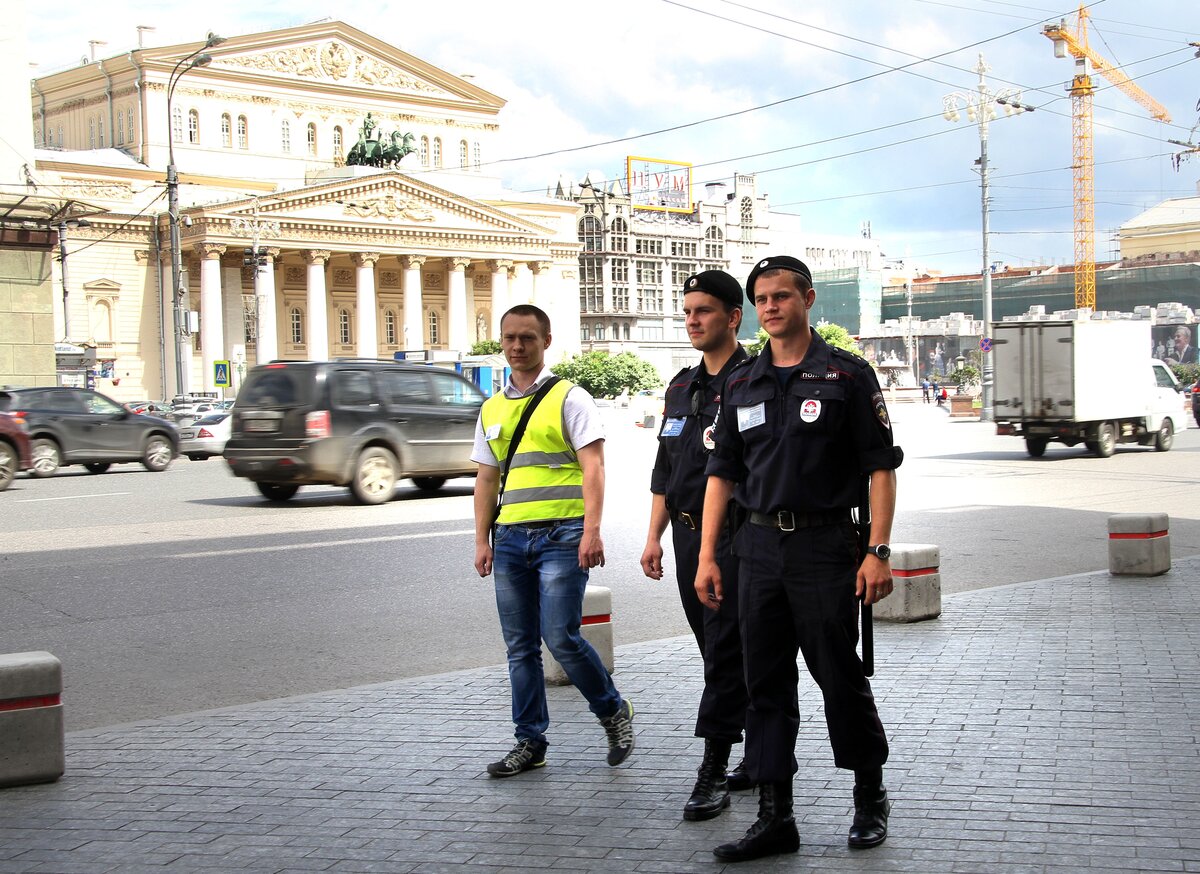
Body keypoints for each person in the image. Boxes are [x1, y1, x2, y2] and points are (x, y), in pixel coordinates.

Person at [694, 255, 903, 862]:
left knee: (838, 676)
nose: (770, 307)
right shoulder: (741, 382)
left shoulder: (846, 375)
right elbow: (721, 475)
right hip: (755, 548)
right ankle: (774, 815)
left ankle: (869, 795)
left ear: (808, 299)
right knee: (765, 684)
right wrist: (709, 555)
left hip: (825, 548)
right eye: (761, 299)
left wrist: (878, 551)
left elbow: (879, 468)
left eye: (782, 296)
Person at [472, 304, 635, 778]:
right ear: (500, 342)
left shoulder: (571, 398)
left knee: (559, 637)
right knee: (519, 646)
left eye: (527, 337)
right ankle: (530, 742)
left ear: (546, 341)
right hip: (509, 539)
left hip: (563, 536)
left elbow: (594, 469)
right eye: (509, 338)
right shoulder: (492, 407)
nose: (517, 346)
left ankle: (611, 710)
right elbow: (486, 478)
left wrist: (591, 530)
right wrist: (482, 540)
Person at [639, 270, 751, 822]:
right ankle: (759, 750)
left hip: (734, 537)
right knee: (717, 650)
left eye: (703, 311)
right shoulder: (681, 386)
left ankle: (714, 769)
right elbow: (666, 465)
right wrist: (653, 535)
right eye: (686, 312)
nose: (691, 321)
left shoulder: (755, 381)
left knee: (724, 651)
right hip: (685, 536)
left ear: (733, 317)